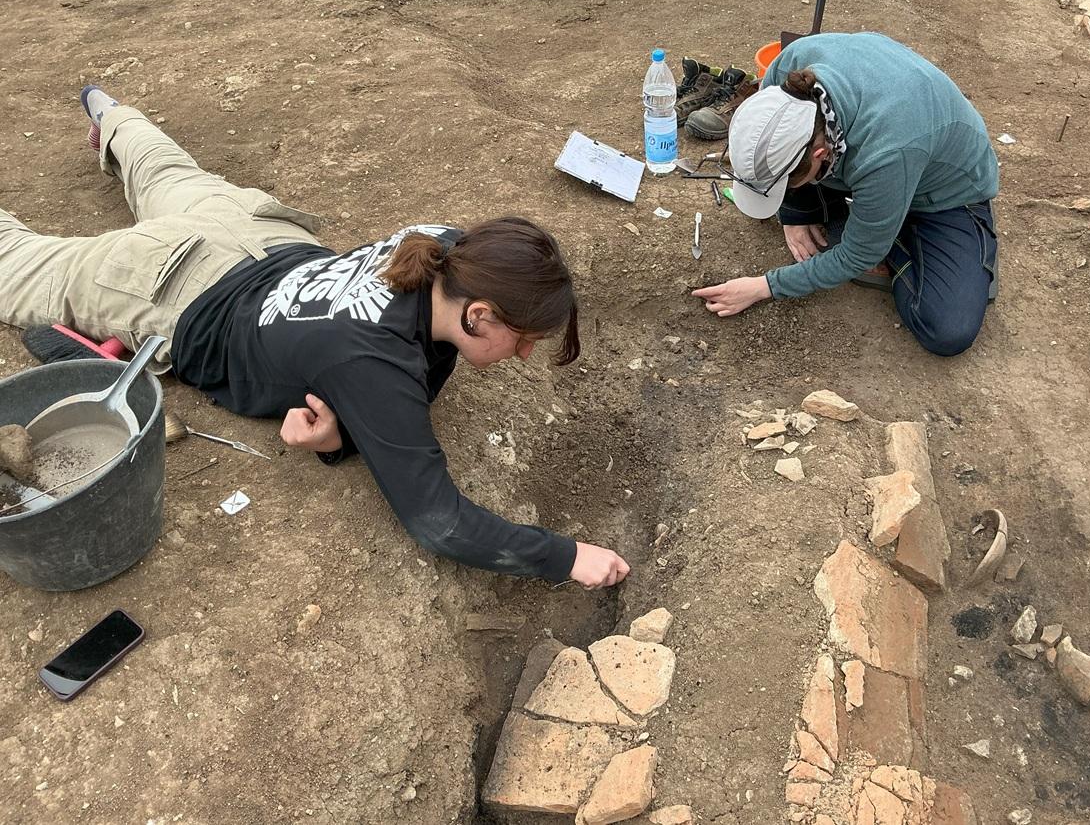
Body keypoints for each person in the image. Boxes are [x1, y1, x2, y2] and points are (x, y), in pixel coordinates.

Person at [0, 88, 630, 589]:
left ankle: (109, 111)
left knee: (165, 170)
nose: (525, 354)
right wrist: (567, 557)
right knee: (15, 265)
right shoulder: (373, 363)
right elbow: (441, 523)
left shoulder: (446, 244)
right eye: (524, 339)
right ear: (480, 315)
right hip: (170, 286)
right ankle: (107, 117)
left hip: (257, 234)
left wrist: (339, 438)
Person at [692, 32, 999, 356]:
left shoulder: (886, 152)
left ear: (821, 154)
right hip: (885, 151)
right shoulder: (788, 68)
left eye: (785, 185)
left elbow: (855, 256)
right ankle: (875, 225)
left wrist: (763, 287)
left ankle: (892, 235)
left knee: (947, 329)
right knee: (831, 231)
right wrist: (793, 215)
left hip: (947, 193)